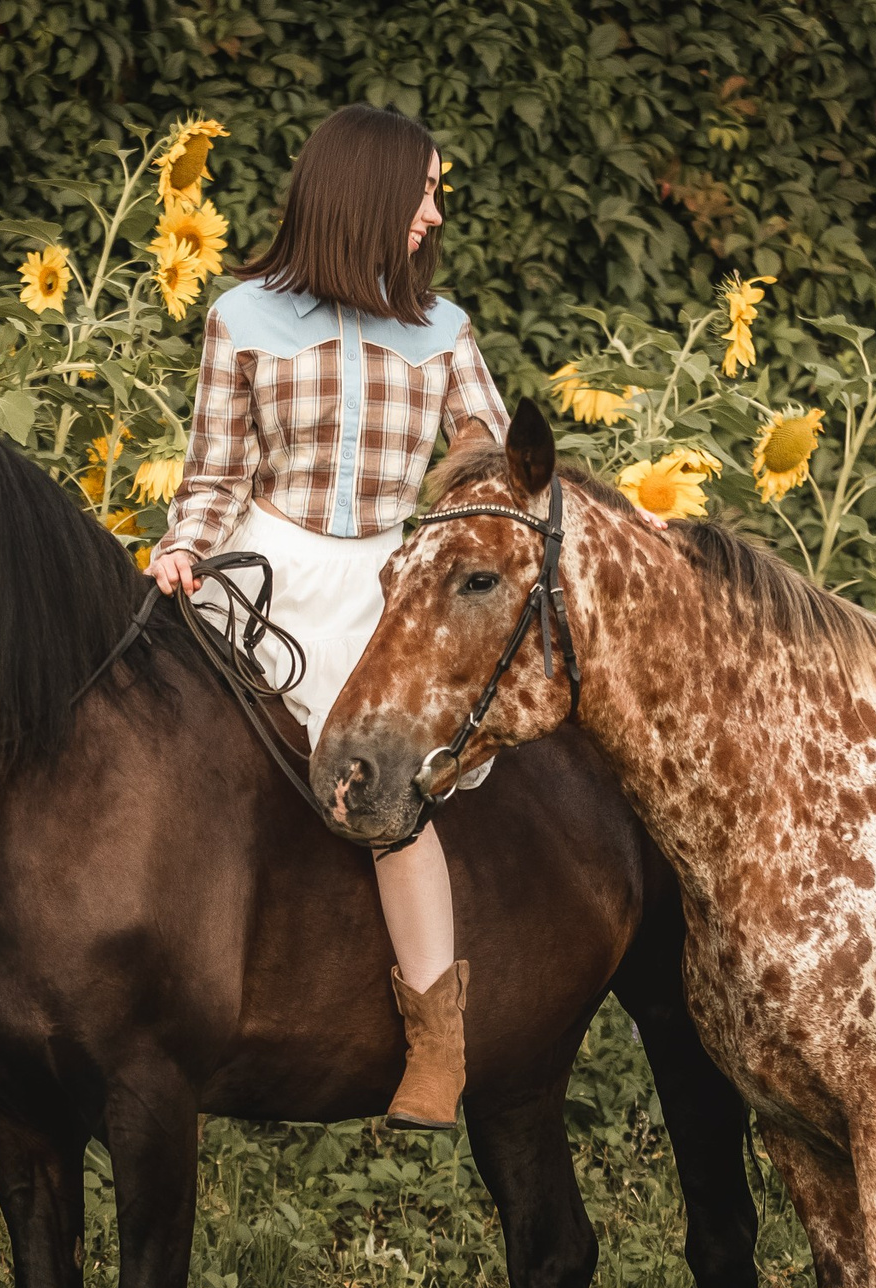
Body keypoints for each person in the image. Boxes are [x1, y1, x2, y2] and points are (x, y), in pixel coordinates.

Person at [150, 105, 502, 1131]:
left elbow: (487, 468)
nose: (433, 216)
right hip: (261, 569)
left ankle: (437, 1048)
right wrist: (182, 547)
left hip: (383, 592)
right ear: (367, 194)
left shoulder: (442, 331)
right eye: (423, 193)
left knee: (392, 802)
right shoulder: (243, 316)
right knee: (179, 754)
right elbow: (217, 470)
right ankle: (170, 985)